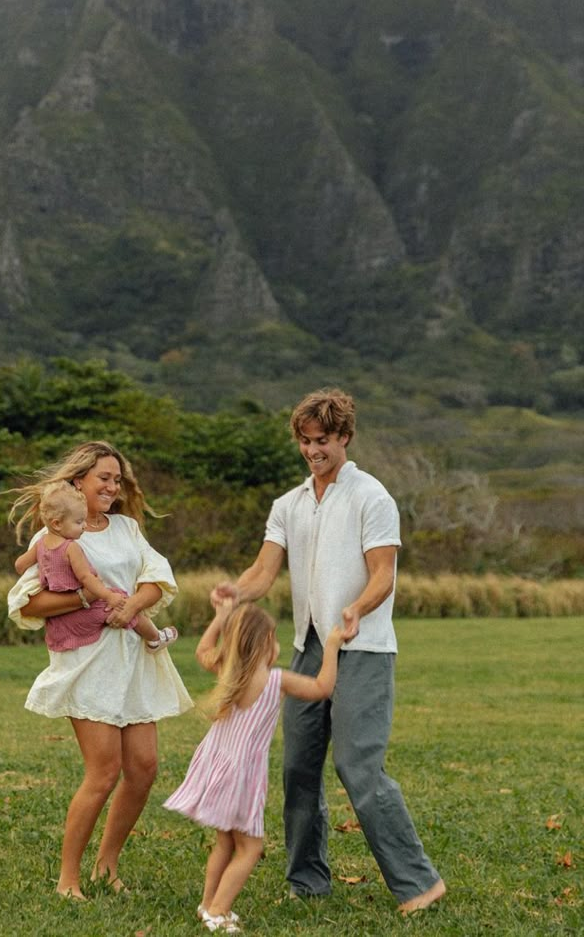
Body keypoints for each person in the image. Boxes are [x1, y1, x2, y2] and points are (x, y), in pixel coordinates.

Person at [211, 388, 445, 913]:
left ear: (345, 437)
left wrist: (358, 609)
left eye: (324, 441)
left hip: (363, 647)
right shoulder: (288, 505)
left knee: (358, 766)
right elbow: (264, 570)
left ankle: (419, 883)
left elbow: (384, 573)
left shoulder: (371, 496)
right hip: (306, 648)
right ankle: (307, 881)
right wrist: (236, 592)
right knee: (297, 768)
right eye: (306, 441)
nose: (314, 450)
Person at [7, 441, 193, 900]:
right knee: (104, 771)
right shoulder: (54, 537)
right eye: (102, 478)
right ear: (77, 483)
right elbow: (26, 601)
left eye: (116, 478)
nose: (112, 486)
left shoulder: (127, 528)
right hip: (87, 663)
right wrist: (89, 598)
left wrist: (129, 603)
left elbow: (156, 579)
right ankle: (67, 878)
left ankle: (106, 866)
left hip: (132, 661)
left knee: (144, 767)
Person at [164, 598, 348, 933]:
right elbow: (323, 687)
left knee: (226, 842)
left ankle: (207, 905)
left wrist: (220, 617)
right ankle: (219, 912)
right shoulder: (276, 680)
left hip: (217, 767)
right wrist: (332, 645)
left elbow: (203, 649)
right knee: (250, 848)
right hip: (241, 776)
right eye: (274, 638)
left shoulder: (227, 669)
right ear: (265, 644)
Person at [13, 479, 179, 653]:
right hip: (87, 605)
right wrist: (108, 596)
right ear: (57, 524)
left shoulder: (40, 544)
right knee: (122, 603)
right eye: (78, 522)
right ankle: (155, 638)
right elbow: (87, 578)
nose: (84, 526)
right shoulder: (71, 548)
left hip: (62, 608)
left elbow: (19, 565)